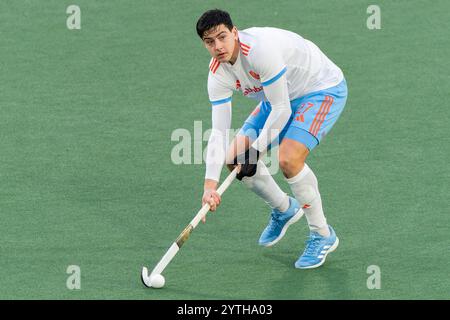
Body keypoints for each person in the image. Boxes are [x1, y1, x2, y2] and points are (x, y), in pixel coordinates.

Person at [197, 9, 348, 269]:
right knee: (234, 160)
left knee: (288, 159)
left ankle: (322, 234)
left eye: (222, 37)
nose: (218, 46)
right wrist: (209, 186)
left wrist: (255, 151)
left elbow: (282, 110)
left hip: (319, 89)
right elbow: (219, 132)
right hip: (277, 95)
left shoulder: (259, 52)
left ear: (234, 32)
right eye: (210, 42)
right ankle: (284, 209)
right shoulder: (218, 74)